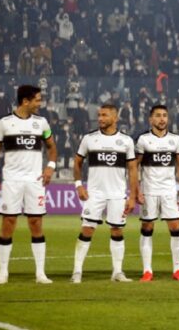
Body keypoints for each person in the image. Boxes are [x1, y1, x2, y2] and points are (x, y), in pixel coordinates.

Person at [0, 85, 58, 284]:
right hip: (11, 181)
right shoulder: (5, 123)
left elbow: (52, 147)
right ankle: (3, 272)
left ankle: (40, 273)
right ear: (25, 101)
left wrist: (50, 167)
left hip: (35, 181)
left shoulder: (42, 123)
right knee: (8, 223)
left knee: (36, 223)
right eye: (37, 100)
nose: (40, 103)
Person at [71, 103, 139, 283]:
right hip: (94, 193)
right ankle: (77, 271)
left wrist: (132, 196)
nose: (100, 118)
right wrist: (79, 185)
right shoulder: (89, 139)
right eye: (99, 115)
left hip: (117, 194)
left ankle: (117, 272)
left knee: (117, 231)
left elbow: (133, 169)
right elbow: (77, 162)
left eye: (104, 115)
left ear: (115, 118)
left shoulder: (126, 141)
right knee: (87, 230)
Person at [135, 105, 179, 282]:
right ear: (151, 119)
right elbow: (135, 166)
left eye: (165, 115)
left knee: (176, 228)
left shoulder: (175, 140)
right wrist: (136, 189)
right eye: (158, 115)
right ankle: (147, 271)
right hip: (149, 191)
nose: (162, 119)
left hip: (169, 191)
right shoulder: (143, 140)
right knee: (147, 228)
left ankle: (177, 270)